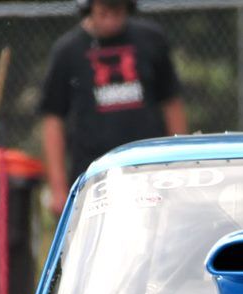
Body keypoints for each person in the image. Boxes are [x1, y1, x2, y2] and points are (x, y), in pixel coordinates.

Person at [39, 0, 187, 214]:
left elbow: (172, 103)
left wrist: (180, 164)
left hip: (151, 169)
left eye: (117, 12)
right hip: (94, 175)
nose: (111, 20)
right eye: (104, 13)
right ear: (88, 9)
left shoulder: (151, 39)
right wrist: (58, 187)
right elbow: (52, 119)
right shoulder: (67, 51)